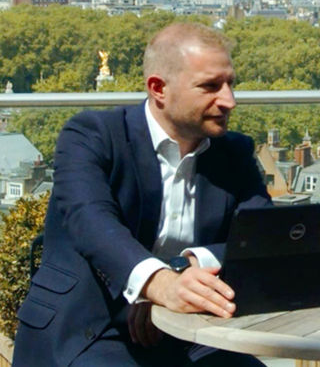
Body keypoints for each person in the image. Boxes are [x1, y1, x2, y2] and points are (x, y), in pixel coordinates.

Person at [13, 23, 272, 366]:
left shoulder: (234, 152)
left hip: (191, 331)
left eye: (230, 84)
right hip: (90, 328)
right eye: (210, 86)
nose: (229, 101)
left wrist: (185, 265)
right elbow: (91, 223)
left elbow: (261, 235)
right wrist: (159, 284)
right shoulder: (91, 135)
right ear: (158, 89)